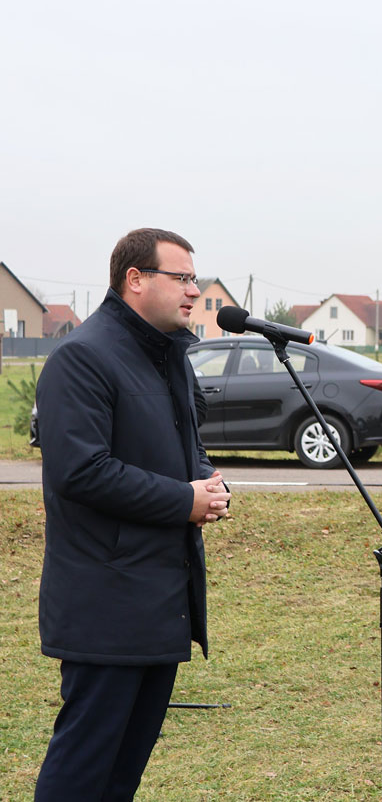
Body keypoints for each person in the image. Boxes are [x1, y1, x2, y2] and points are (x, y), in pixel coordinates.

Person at [33, 228, 231, 800]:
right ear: (135, 280)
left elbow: (184, 448)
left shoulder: (171, 356)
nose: (195, 292)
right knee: (83, 767)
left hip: (161, 595)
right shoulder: (83, 358)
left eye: (196, 278)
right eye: (183, 278)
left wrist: (209, 483)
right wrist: (184, 500)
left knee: (123, 771)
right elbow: (81, 471)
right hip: (106, 599)